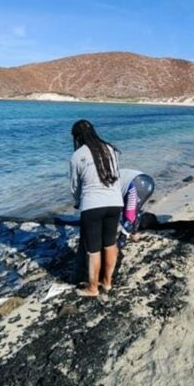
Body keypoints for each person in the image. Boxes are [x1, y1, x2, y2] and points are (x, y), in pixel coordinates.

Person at [70, 119, 123, 296]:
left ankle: (93, 288)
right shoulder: (111, 149)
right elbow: (117, 176)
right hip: (115, 202)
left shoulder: (78, 155)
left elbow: (75, 187)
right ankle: (107, 282)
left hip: (92, 205)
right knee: (110, 244)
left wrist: (79, 202)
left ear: (77, 137)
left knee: (93, 250)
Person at [116, 169, 156, 249]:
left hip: (137, 183)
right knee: (134, 211)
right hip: (146, 181)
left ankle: (121, 243)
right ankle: (133, 233)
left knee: (130, 214)